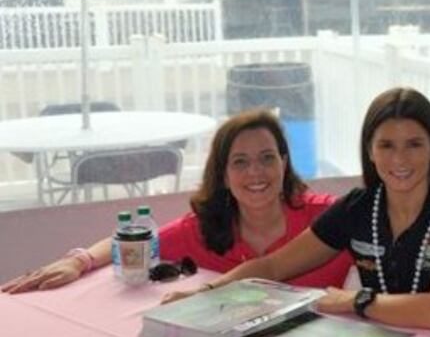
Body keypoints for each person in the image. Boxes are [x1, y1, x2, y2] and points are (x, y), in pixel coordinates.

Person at [163, 87, 430, 337]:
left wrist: (356, 301)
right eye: (386, 145)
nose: (399, 159)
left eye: (414, 144)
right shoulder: (358, 207)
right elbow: (273, 265)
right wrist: (204, 295)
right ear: (370, 150)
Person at [2, 109, 354, 294]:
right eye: (240, 162)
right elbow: (136, 240)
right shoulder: (206, 228)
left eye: (267, 158)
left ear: (284, 162)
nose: (255, 173)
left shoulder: (330, 217)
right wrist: (77, 262)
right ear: (223, 174)